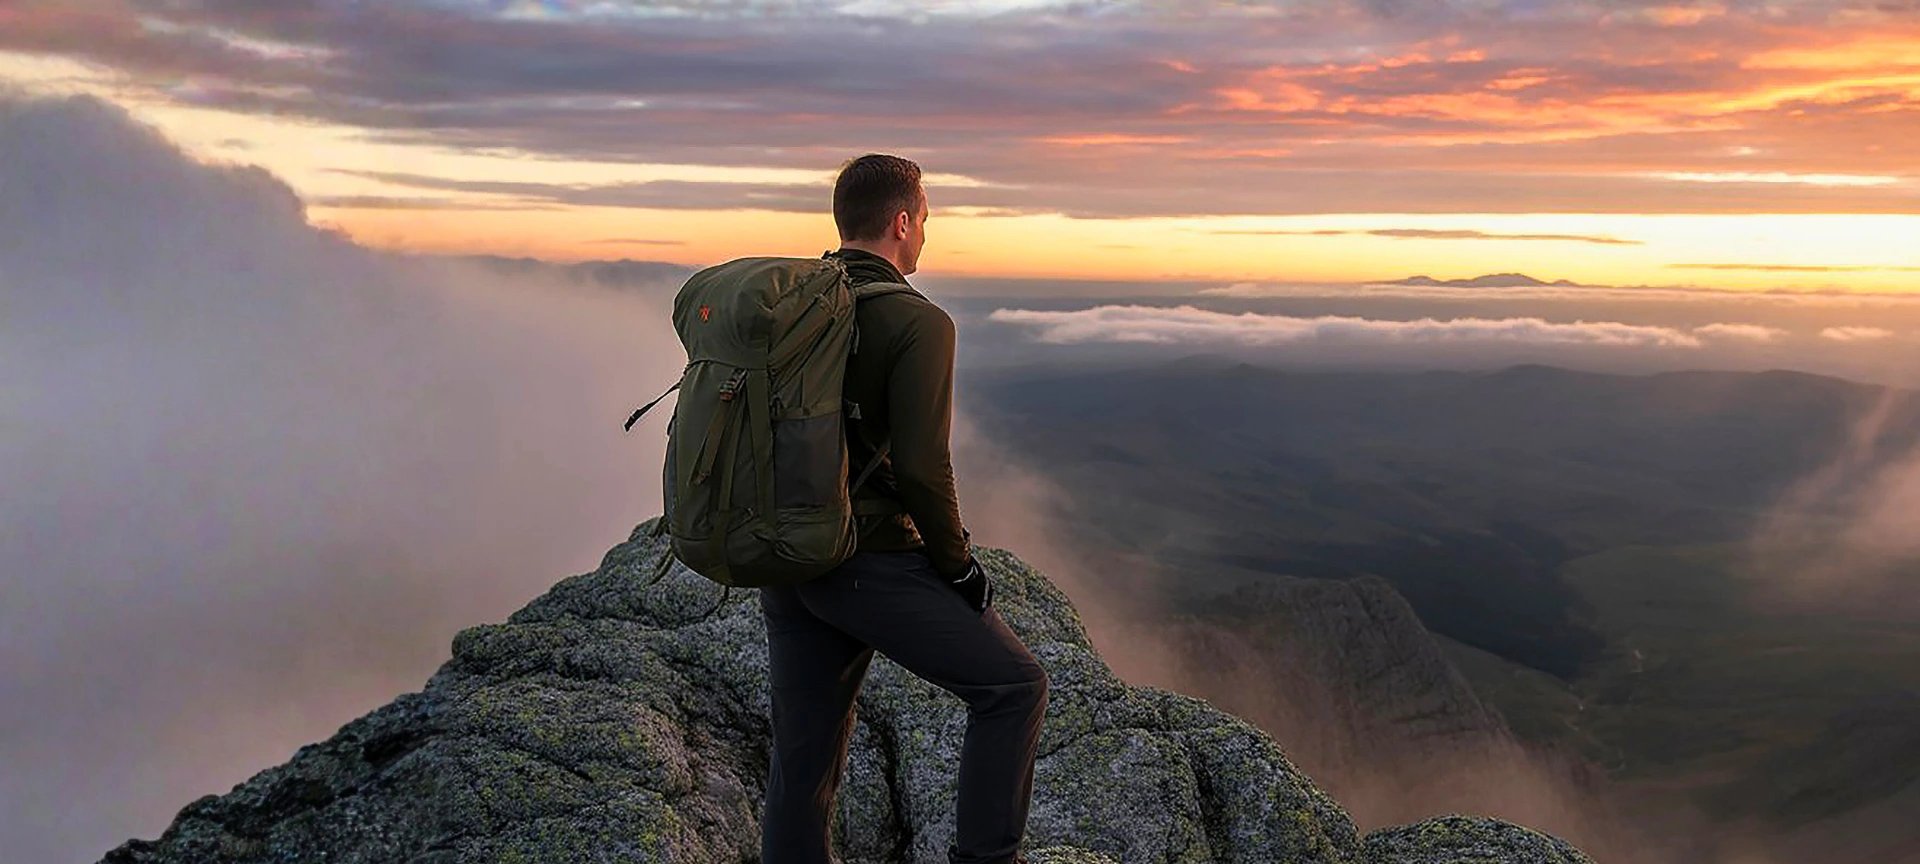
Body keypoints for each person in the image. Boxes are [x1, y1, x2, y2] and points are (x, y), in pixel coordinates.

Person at [758, 154, 1050, 864]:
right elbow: (923, 468)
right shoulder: (919, 322)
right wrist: (956, 564)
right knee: (1015, 687)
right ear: (901, 222)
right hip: (863, 558)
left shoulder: (790, 304)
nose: (925, 233)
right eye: (923, 219)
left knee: (805, 753)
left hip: (782, 552)